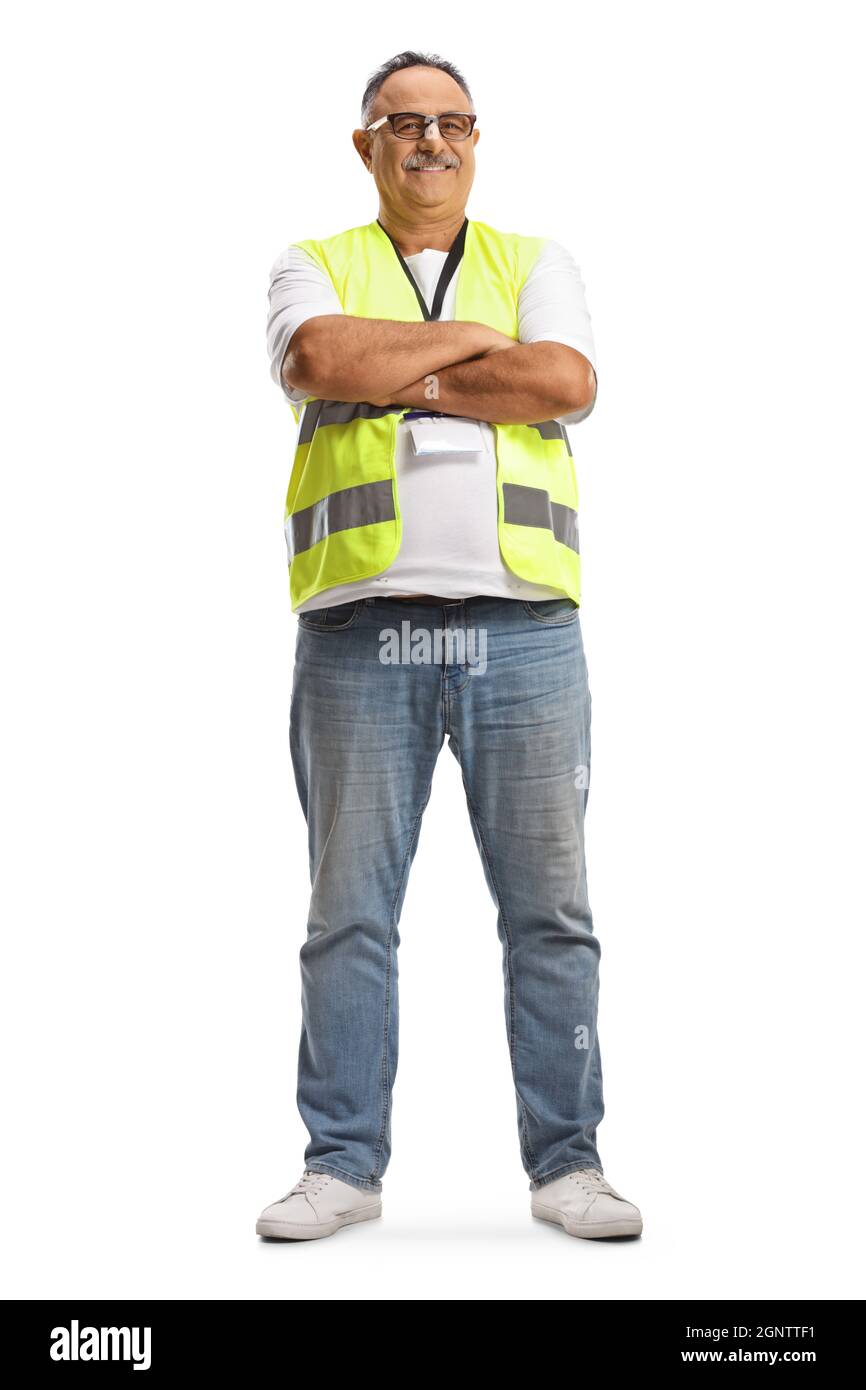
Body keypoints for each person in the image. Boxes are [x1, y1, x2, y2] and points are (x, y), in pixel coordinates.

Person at [257, 50, 642, 1242]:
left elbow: (564, 379)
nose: (431, 141)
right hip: (359, 633)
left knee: (549, 913)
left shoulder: (539, 262)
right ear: (365, 143)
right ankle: (341, 1164)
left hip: (522, 633)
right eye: (403, 123)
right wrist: (476, 355)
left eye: (453, 123)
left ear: (476, 140)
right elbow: (319, 361)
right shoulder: (313, 264)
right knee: (347, 914)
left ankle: (567, 1164)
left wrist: (408, 369)